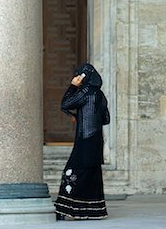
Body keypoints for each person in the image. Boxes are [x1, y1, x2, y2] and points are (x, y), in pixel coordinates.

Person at [54, 63, 110, 220]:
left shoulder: (85, 92)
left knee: (72, 172)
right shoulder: (100, 94)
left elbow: (65, 104)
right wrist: (84, 116)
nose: (77, 77)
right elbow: (106, 119)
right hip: (96, 140)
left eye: (79, 75)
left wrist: (72, 87)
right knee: (91, 175)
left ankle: (63, 209)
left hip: (84, 140)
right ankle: (92, 210)